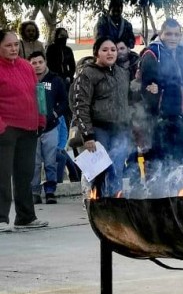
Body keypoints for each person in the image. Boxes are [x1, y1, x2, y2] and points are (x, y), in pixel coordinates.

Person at [0, 29, 48, 230]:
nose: (13, 49)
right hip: (6, 128)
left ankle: (25, 217)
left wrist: (41, 118)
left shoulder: (26, 67)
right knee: (2, 174)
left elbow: (37, 93)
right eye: (8, 45)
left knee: (25, 174)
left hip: (29, 127)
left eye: (15, 45)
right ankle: (1, 218)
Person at [73, 37, 131, 196]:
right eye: (105, 50)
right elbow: (80, 105)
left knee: (117, 167)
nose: (110, 53)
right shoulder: (87, 74)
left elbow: (129, 99)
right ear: (96, 53)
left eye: (113, 49)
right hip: (98, 130)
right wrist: (88, 135)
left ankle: (114, 201)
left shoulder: (122, 73)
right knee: (98, 169)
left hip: (120, 130)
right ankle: (95, 201)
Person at [140, 19, 183, 163]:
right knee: (158, 163)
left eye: (176, 35)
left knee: (180, 163)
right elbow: (148, 88)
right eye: (168, 34)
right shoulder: (152, 53)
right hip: (159, 119)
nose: (173, 38)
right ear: (161, 34)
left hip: (181, 118)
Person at [29, 52, 68, 205]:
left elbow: (65, 102)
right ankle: (34, 192)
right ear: (29, 64)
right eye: (34, 63)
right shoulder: (26, 79)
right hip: (31, 128)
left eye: (40, 62)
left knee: (51, 161)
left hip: (51, 127)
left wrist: (55, 113)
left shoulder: (55, 80)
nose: (37, 65)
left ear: (45, 62)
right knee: (35, 163)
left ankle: (50, 191)